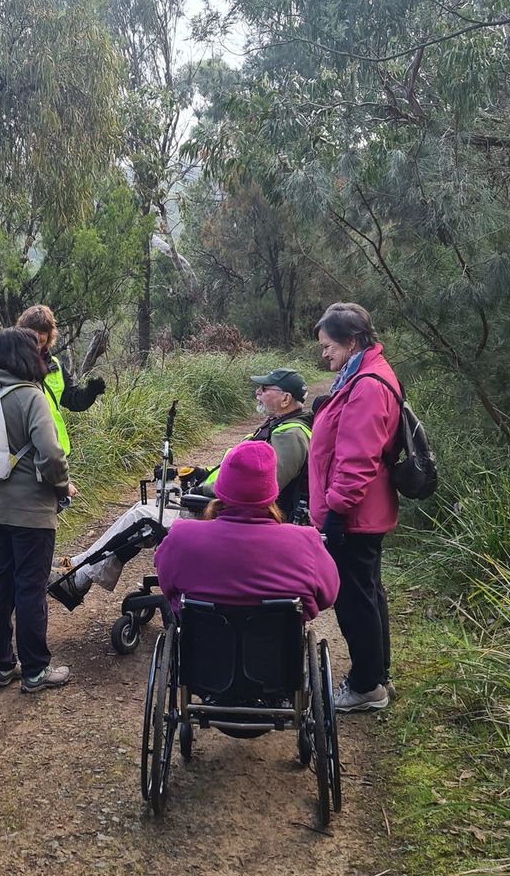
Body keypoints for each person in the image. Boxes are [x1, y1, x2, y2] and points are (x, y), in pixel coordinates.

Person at [308, 302, 401, 712]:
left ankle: (366, 686)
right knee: (368, 592)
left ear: (351, 342)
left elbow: (356, 458)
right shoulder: (361, 376)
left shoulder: (367, 385)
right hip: (363, 510)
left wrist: (336, 512)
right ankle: (376, 675)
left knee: (354, 599)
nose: (324, 353)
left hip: (355, 514)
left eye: (329, 346)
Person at [0, 327, 74, 693]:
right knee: (30, 586)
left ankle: (1, 667)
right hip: (31, 510)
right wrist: (62, 485)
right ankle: (34, 671)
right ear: (24, 357)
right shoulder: (30, 396)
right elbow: (50, 452)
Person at [155, 442, 339, 618]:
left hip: (203, 642)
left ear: (221, 488)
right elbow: (328, 596)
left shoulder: (182, 536)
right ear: (271, 492)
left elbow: (167, 585)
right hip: (277, 645)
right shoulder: (306, 541)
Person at [197, 367, 312, 519]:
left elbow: (263, 485)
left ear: (285, 399)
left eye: (264, 388)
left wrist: (208, 488)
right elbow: (245, 468)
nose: (257, 392)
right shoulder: (278, 424)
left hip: (264, 520)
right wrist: (204, 472)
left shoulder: (290, 434)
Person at [16, 304, 105, 456]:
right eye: (33, 331)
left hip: (54, 450)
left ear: (49, 335)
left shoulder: (55, 365)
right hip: (23, 452)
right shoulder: (12, 363)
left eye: (42, 331)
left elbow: (72, 400)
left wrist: (90, 392)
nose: (38, 337)